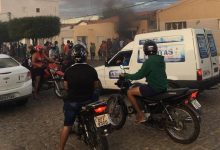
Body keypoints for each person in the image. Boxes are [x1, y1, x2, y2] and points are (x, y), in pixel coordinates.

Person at [60, 43, 101, 150]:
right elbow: (96, 86)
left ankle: (60, 148)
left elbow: (66, 87)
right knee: (96, 94)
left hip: (74, 102)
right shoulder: (92, 70)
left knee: (67, 125)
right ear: (85, 55)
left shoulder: (68, 71)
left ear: (73, 56)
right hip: (89, 101)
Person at [121, 40, 167, 123]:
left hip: (154, 88)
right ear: (155, 49)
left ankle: (141, 115)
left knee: (129, 92)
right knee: (140, 86)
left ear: (145, 50)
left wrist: (126, 75)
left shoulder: (149, 62)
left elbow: (138, 75)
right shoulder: (161, 60)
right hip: (163, 86)